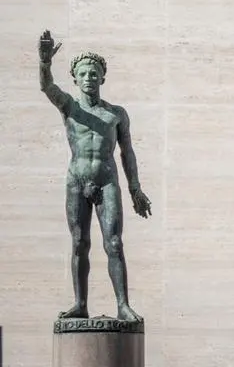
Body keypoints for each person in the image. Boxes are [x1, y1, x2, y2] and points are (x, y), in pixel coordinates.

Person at [38, 30, 152, 322]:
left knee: (114, 243)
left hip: (106, 180)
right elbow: (47, 87)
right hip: (77, 180)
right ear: (75, 79)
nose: (89, 77)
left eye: (94, 73)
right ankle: (80, 303)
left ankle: (123, 305)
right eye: (83, 73)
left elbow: (127, 153)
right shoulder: (69, 106)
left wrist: (135, 189)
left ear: (102, 78)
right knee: (79, 243)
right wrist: (44, 62)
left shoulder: (116, 114)